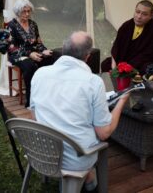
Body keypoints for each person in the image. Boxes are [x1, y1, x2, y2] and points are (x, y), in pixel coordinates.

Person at [30, 31, 129, 192]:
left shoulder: (40, 74)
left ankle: (88, 180)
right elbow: (104, 133)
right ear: (88, 56)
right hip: (73, 160)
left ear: (63, 49)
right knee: (93, 132)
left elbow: (34, 116)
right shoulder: (93, 82)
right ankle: (91, 184)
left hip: (42, 151)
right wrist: (122, 101)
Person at [7, 0, 59, 107]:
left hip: (34, 52)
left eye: (29, 11)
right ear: (18, 12)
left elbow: (38, 42)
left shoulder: (33, 24)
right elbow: (11, 47)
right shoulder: (11, 26)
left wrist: (43, 50)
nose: (27, 14)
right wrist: (29, 54)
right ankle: (31, 100)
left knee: (52, 57)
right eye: (24, 11)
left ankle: (47, 94)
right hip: (18, 55)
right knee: (29, 65)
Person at [101, 0, 153, 74]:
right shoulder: (126, 26)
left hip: (141, 63)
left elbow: (151, 54)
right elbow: (116, 47)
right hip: (124, 60)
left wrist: (128, 67)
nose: (139, 16)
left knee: (146, 69)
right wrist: (114, 66)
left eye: (144, 14)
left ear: (151, 16)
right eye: (137, 12)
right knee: (105, 64)